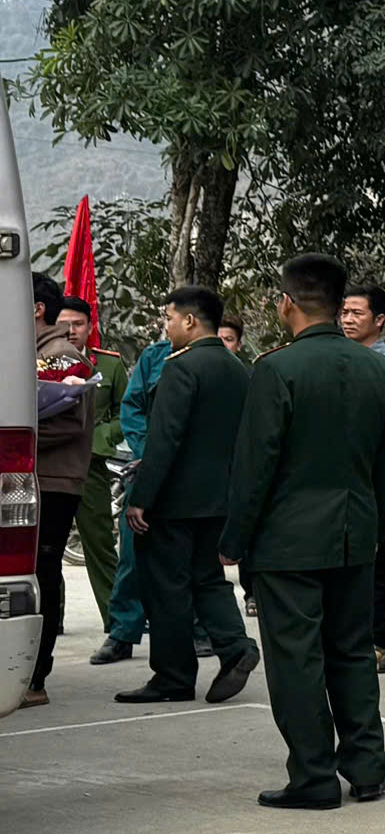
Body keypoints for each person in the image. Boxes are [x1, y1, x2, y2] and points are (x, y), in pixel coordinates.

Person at [222, 253, 385, 808]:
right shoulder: (378, 368)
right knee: (352, 650)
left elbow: (255, 465)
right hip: (356, 533)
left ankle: (314, 777)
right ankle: (367, 768)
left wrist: (234, 540)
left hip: (289, 541)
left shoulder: (277, 369)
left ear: (287, 303)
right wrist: (375, 530)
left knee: (296, 659)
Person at [116, 286, 260, 705]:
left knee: (166, 587)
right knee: (208, 578)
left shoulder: (181, 366)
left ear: (190, 320)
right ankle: (236, 647)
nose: (167, 326)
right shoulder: (236, 368)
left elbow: (165, 438)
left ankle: (173, 676)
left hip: (174, 500)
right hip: (219, 497)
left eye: (170, 318)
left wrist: (142, 496)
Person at [27, 272, 97, 707]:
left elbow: (70, 424)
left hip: (55, 481)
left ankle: (36, 676)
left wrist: (17, 433)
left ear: (37, 309)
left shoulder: (60, 357)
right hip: (35, 478)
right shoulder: (32, 352)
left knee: (44, 571)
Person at [93, 320, 169, 666]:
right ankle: (123, 632)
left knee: (195, 559)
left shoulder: (215, 361)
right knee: (132, 554)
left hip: (194, 473)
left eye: (172, 316)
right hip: (147, 467)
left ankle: (199, 630)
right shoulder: (154, 357)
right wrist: (148, 451)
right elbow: (132, 407)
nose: (168, 324)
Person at [60, 296, 133, 655]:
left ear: (90, 327)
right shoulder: (39, 360)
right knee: (45, 548)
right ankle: (50, 618)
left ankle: (116, 622)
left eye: (77, 324)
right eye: (64, 324)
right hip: (51, 466)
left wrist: (98, 438)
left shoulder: (109, 364)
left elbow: (127, 413)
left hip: (91, 467)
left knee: (101, 544)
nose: (71, 331)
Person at [342, 284, 385, 661]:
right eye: (344, 312)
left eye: (357, 313)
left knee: (377, 560)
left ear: (379, 320)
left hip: (376, 475)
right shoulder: (342, 356)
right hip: (344, 476)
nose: (348, 319)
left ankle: (375, 637)